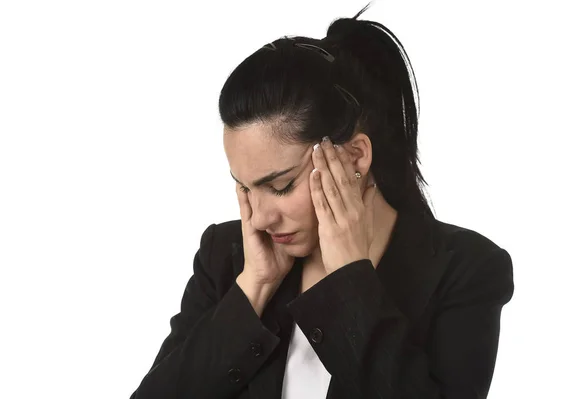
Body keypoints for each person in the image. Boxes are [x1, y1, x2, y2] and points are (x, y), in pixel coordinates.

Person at [129, 4, 514, 398]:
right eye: (245, 189)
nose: (259, 219)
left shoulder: (466, 270)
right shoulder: (226, 260)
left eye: (279, 186)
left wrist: (351, 284)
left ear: (355, 156)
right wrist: (254, 289)